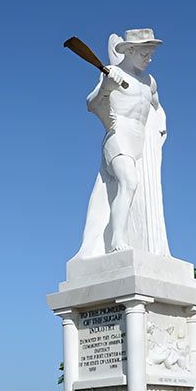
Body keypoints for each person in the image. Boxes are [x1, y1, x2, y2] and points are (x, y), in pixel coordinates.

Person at [75, 29, 171, 258]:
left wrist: (161, 125)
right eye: (144, 54)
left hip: (139, 143)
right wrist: (106, 86)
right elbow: (91, 103)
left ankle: (131, 238)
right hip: (118, 137)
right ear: (129, 50)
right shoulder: (113, 74)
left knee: (133, 186)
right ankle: (117, 239)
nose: (149, 59)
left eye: (151, 54)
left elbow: (156, 106)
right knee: (129, 183)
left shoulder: (149, 81)